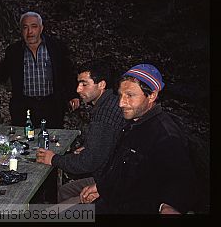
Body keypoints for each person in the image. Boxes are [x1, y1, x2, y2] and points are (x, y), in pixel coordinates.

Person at [80, 64, 196, 214]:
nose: (121, 103)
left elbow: (183, 181)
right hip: (111, 198)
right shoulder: (135, 123)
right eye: (121, 95)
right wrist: (102, 188)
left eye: (130, 95)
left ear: (152, 96)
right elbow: (125, 169)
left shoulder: (166, 135)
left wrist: (168, 205)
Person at [36, 61, 126, 203]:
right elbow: (111, 140)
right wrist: (92, 146)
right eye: (78, 83)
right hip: (111, 172)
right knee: (64, 191)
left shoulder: (104, 115)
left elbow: (89, 162)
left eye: (84, 84)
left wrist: (53, 159)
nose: (78, 89)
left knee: (57, 210)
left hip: (112, 181)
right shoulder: (111, 100)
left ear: (101, 85)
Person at [0, 11, 79, 128]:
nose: (30, 32)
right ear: (21, 30)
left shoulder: (56, 47)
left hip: (52, 105)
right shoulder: (14, 51)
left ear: (41, 28)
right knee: (24, 141)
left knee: (52, 140)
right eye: (25, 27)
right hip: (24, 107)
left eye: (34, 27)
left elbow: (68, 72)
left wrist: (73, 94)